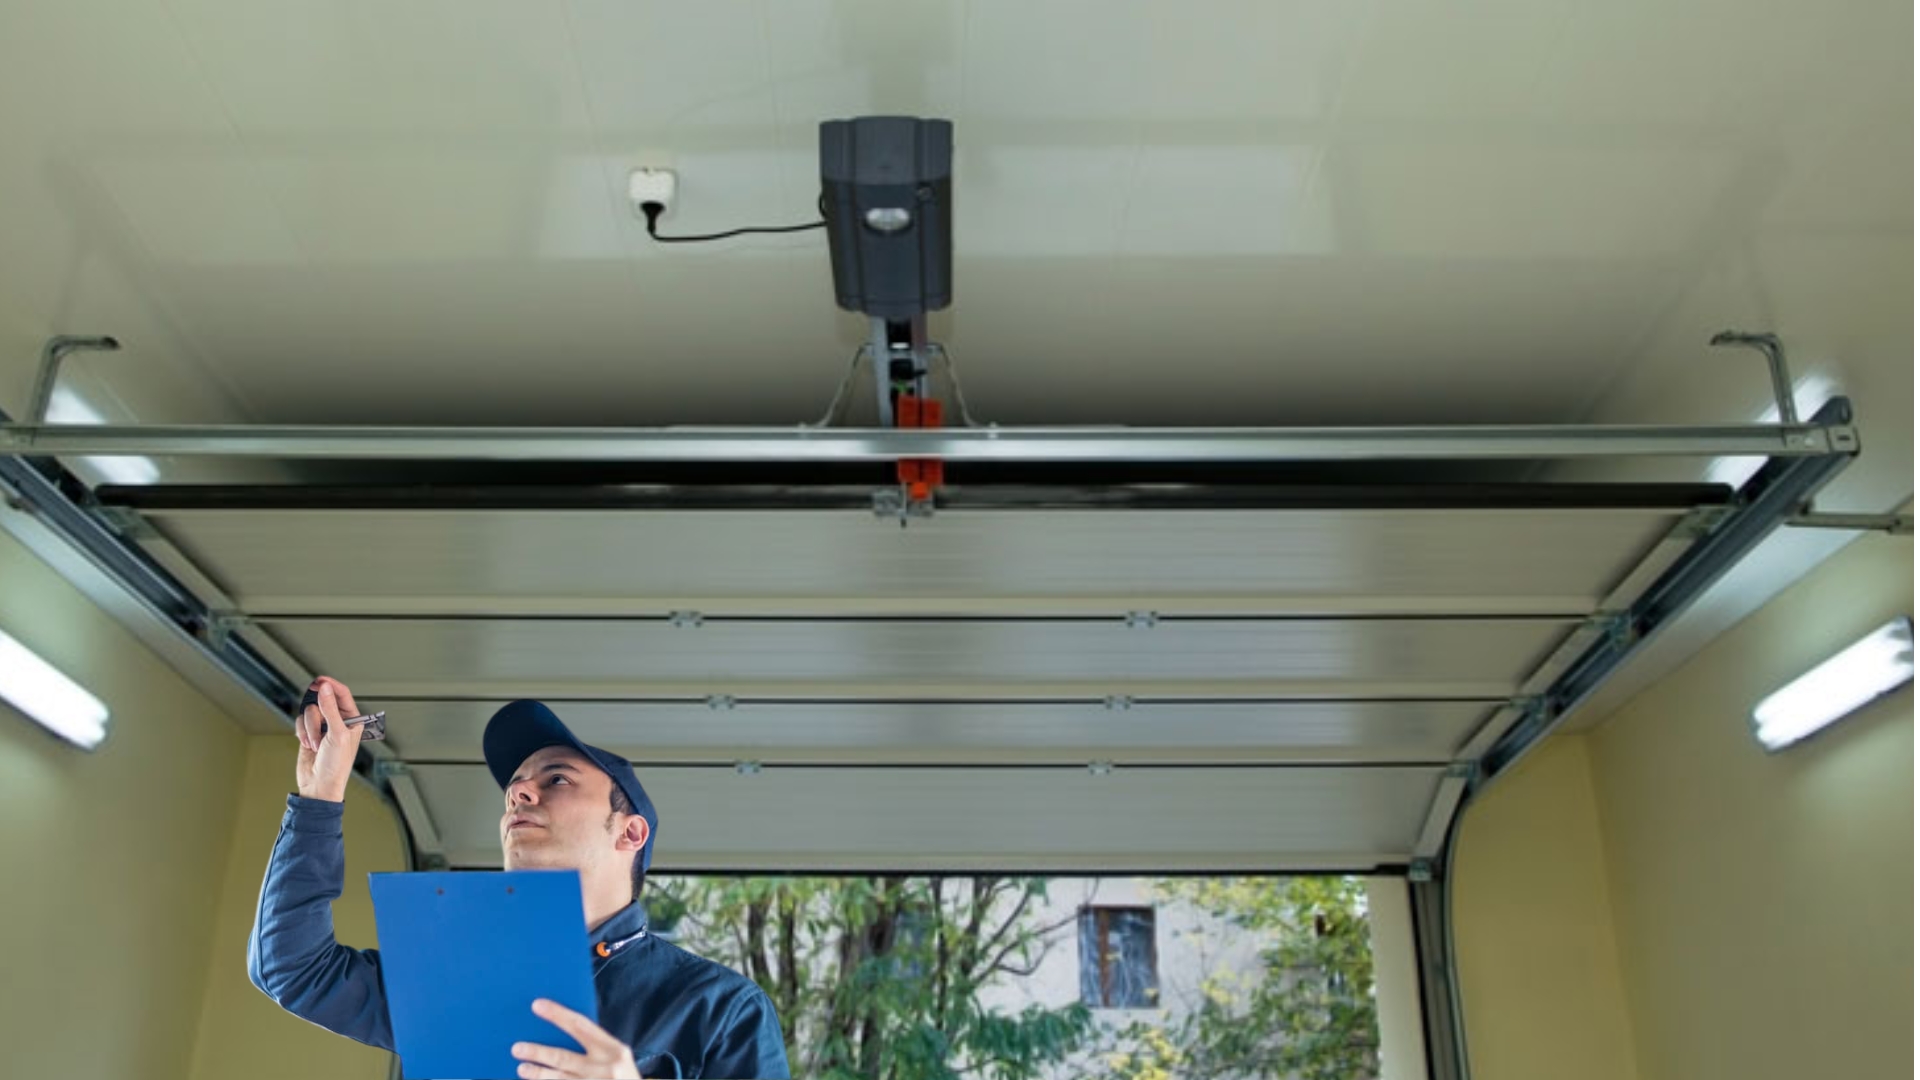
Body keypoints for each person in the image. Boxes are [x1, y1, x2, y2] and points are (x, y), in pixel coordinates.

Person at [248, 676, 790, 1079]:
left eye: (557, 778)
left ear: (630, 833)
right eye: (516, 785)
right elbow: (293, 970)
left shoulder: (720, 1008)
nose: (519, 793)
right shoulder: (457, 975)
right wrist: (319, 797)